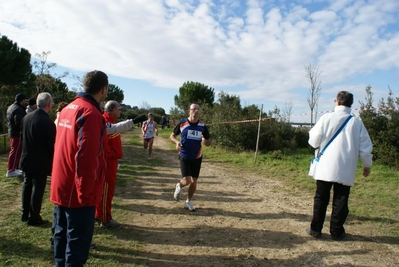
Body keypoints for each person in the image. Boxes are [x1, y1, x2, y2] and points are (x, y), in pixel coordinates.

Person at [50, 70, 108, 266]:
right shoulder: (91, 114)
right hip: (78, 193)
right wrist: (86, 194)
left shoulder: (67, 109)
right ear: (104, 89)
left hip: (62, 185)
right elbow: (87, 157)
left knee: (61, 237)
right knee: (76, 246)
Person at [306, 91, 373, 241]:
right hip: (345, 167)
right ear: (351, 104)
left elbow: (314, 141)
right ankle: (336, 232)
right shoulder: (357, 123)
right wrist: (367, 164)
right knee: (341, 199)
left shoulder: (326, 118)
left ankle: (315, 229)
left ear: (336, 102)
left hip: (325, 166)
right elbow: (365, 146)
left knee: (321, 198)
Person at [96, 100, 133, 229]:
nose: (120, 110)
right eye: (119, 108)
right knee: (107, 191)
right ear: (112, 109)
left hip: (110, 161)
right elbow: (104, 147)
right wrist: (113, 154)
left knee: (104, 190)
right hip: (107, 163)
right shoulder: (105, 122)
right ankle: (105, 219)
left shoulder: (110, 122)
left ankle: (99, 213)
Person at [20, 92, 56, 226]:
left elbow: (22, 136)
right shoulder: (48, 122)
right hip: (40, 161)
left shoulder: (27, 117)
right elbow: (50, 145)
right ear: (48, 104)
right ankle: (34, 216)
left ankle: (25, 213)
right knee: (38, 187)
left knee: (27, 184)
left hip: (26, 157)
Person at [170, 103, 211, 211]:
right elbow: (172, 135)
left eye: (198, 109)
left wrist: (205, 141)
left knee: (194, 181)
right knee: (187, 180)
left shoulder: (202, 125)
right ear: (189, 111)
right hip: (184, 155)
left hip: (197, 156)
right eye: (194, 109)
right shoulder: (183, 123)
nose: (196, 111)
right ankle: (179, 185)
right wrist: (176, 142)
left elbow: (209, 141)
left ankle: (188, 201)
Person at [6, 93, 28, 177]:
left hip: (12, 131)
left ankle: (14, 168)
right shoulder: (18, 109)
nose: (26, 101)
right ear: (22, 100)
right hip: (16, 133)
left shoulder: (11, 107)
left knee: (15, 150)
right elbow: (18, 121)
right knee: (15, 151)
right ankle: (11, 170)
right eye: (25, 100)